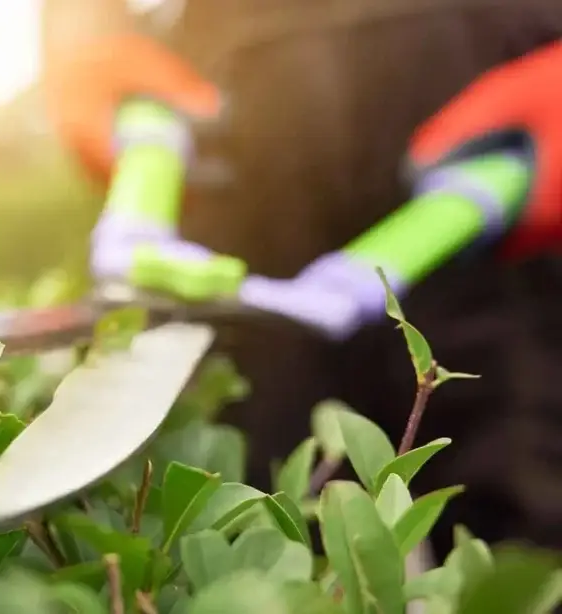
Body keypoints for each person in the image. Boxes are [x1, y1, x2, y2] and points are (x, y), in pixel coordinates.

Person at [40, 0, 562, 562]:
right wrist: (84, 33)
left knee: (529, 553)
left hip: (498, 76)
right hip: (241, 104)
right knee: (245, 536)